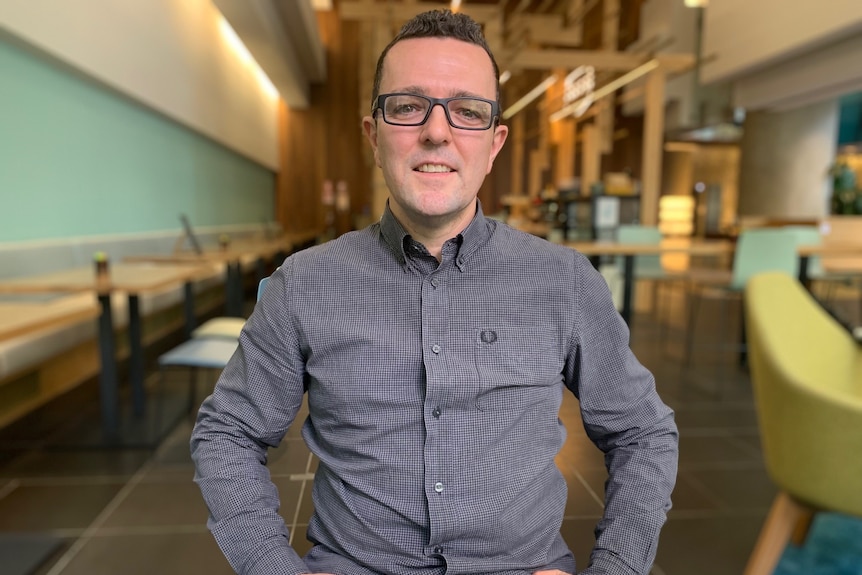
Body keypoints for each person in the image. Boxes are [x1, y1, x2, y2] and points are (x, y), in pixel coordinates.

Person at [191, 9, 678, 575]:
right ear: (374, 135)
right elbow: (228, 432)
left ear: (495, 144)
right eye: (407, 106)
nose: (437, 131)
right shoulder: (304, 284)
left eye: (467, 111)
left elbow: (643, 431)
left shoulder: (564, 281)